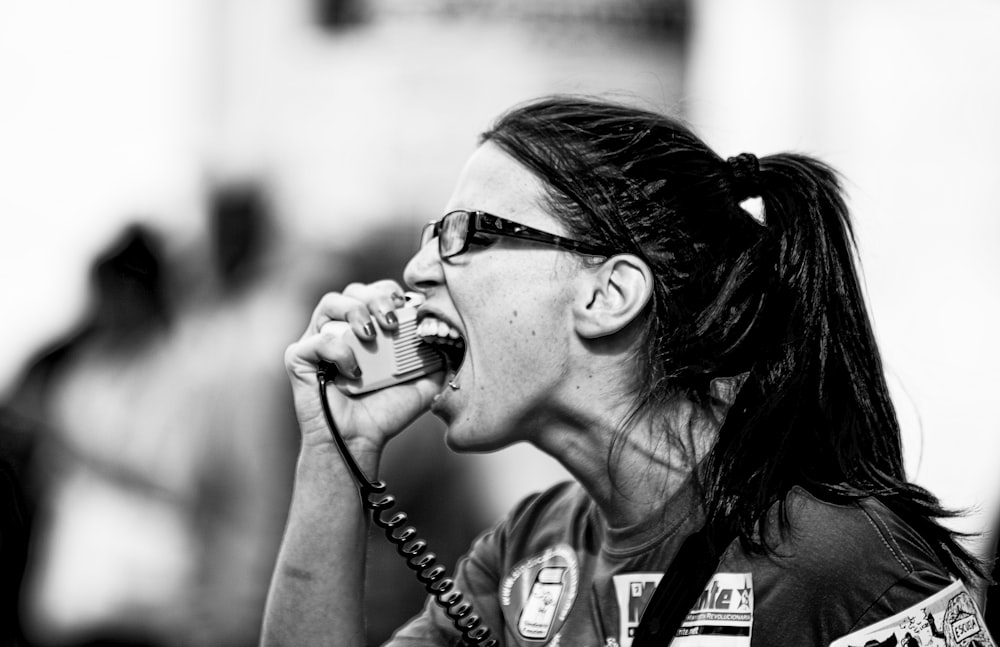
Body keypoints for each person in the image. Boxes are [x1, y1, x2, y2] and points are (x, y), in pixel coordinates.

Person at [260, 95, 988, 646]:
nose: (417, 271)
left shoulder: (840, 559)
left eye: (464, 234)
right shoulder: (529, 551)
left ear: (609, 294)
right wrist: (336, 450)